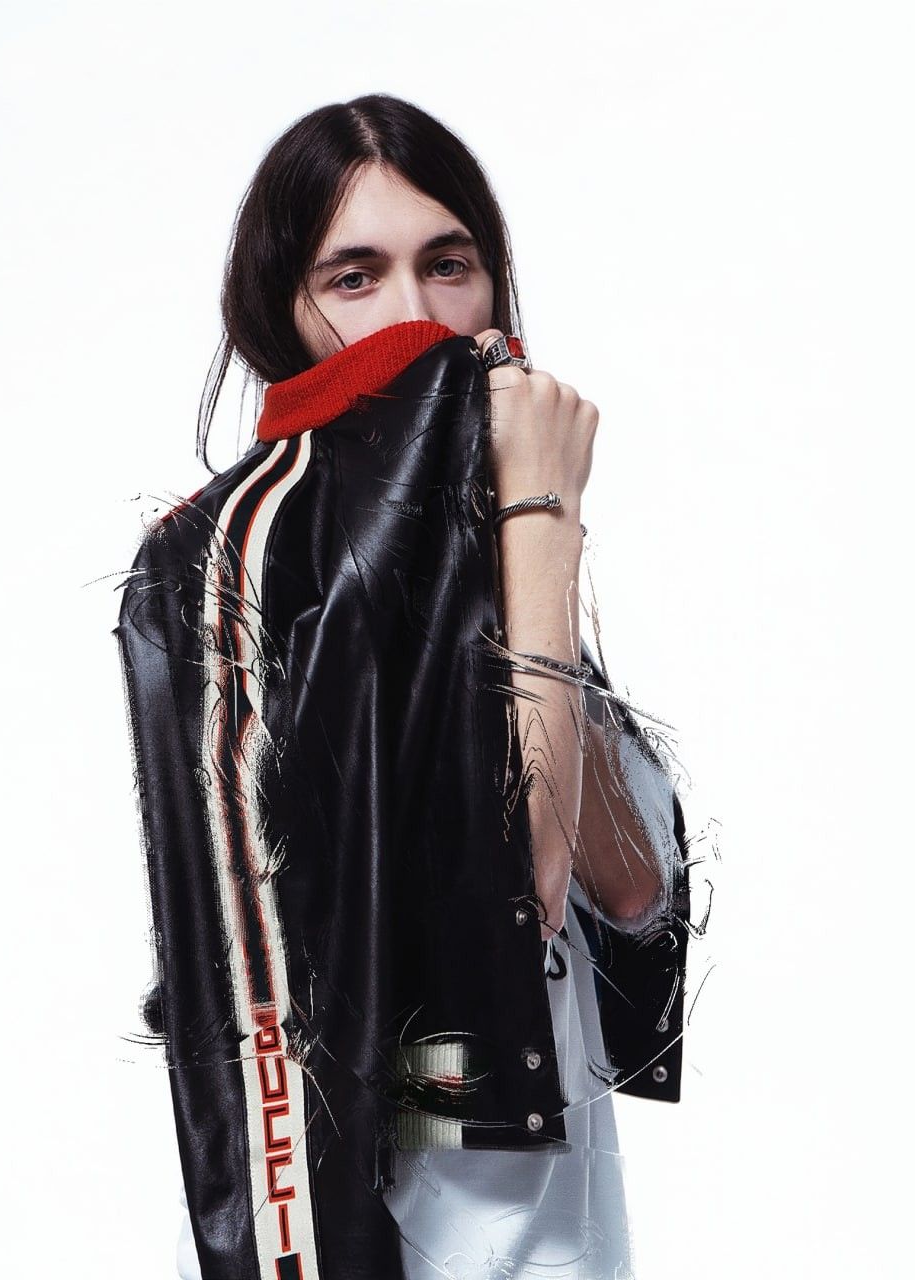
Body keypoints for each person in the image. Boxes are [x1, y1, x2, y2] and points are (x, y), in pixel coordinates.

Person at [116, 92, 691, 1280]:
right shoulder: (230, 555)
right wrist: (541, 514)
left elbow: (629, 887)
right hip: (351, 1228)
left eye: (448, 264)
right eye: (355, 277)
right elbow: (517, 890)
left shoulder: (494, 541)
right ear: (282, 310)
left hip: (553, 1226)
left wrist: (523, 538)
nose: (418, 316)